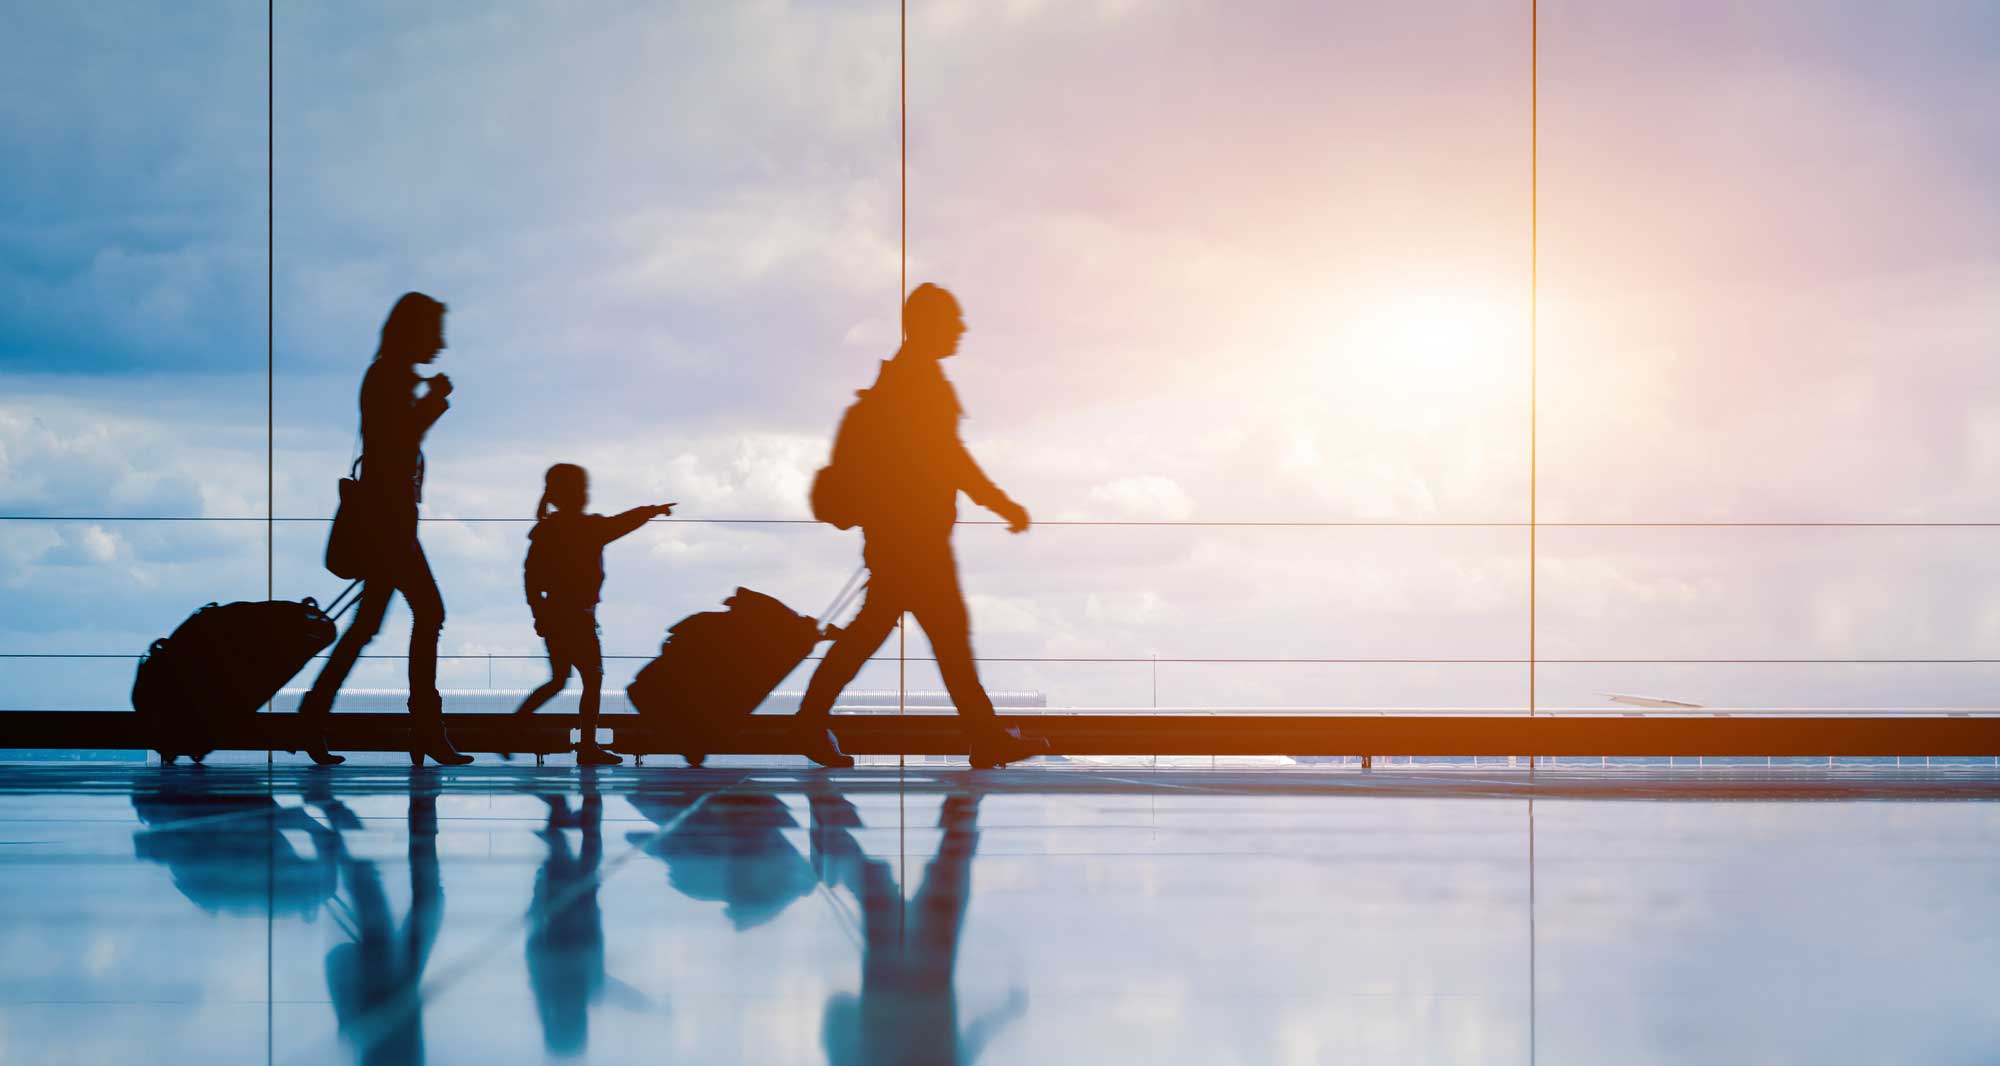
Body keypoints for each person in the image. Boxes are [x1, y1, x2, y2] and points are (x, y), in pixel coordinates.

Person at [796, 283, 1048, 769]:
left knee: (878, 634)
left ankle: (809, 723)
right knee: (943, 636)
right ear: (927, 325)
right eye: (953, 321)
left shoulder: (901, 382)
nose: (961, 329)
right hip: (916, 541)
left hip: (898, 537)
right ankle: (985, 736)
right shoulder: (921, 384)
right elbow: (950, 460)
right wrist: (1002, 504)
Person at [298, 291, 469, 766]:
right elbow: (398, 444)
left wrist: (428, 400)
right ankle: (425, 731)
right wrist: (434, 402)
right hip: (390, 523)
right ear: (414, 333)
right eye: (434, 333)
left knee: (368, 625)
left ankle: (314, 716)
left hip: (386, 520)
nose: (440, 344)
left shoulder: (388, 376)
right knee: (427, 613)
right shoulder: (391, 378)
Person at [513, 462, 674, 765]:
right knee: (592, 678)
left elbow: (530, 577)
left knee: (560, 679)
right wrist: (652, 510)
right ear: (574, 493)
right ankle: (586, 746)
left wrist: (539, 614)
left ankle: (512, 727)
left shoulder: (547, 530)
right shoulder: (588, 528)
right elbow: (622, 523)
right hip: (578, 618)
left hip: (556, 615)